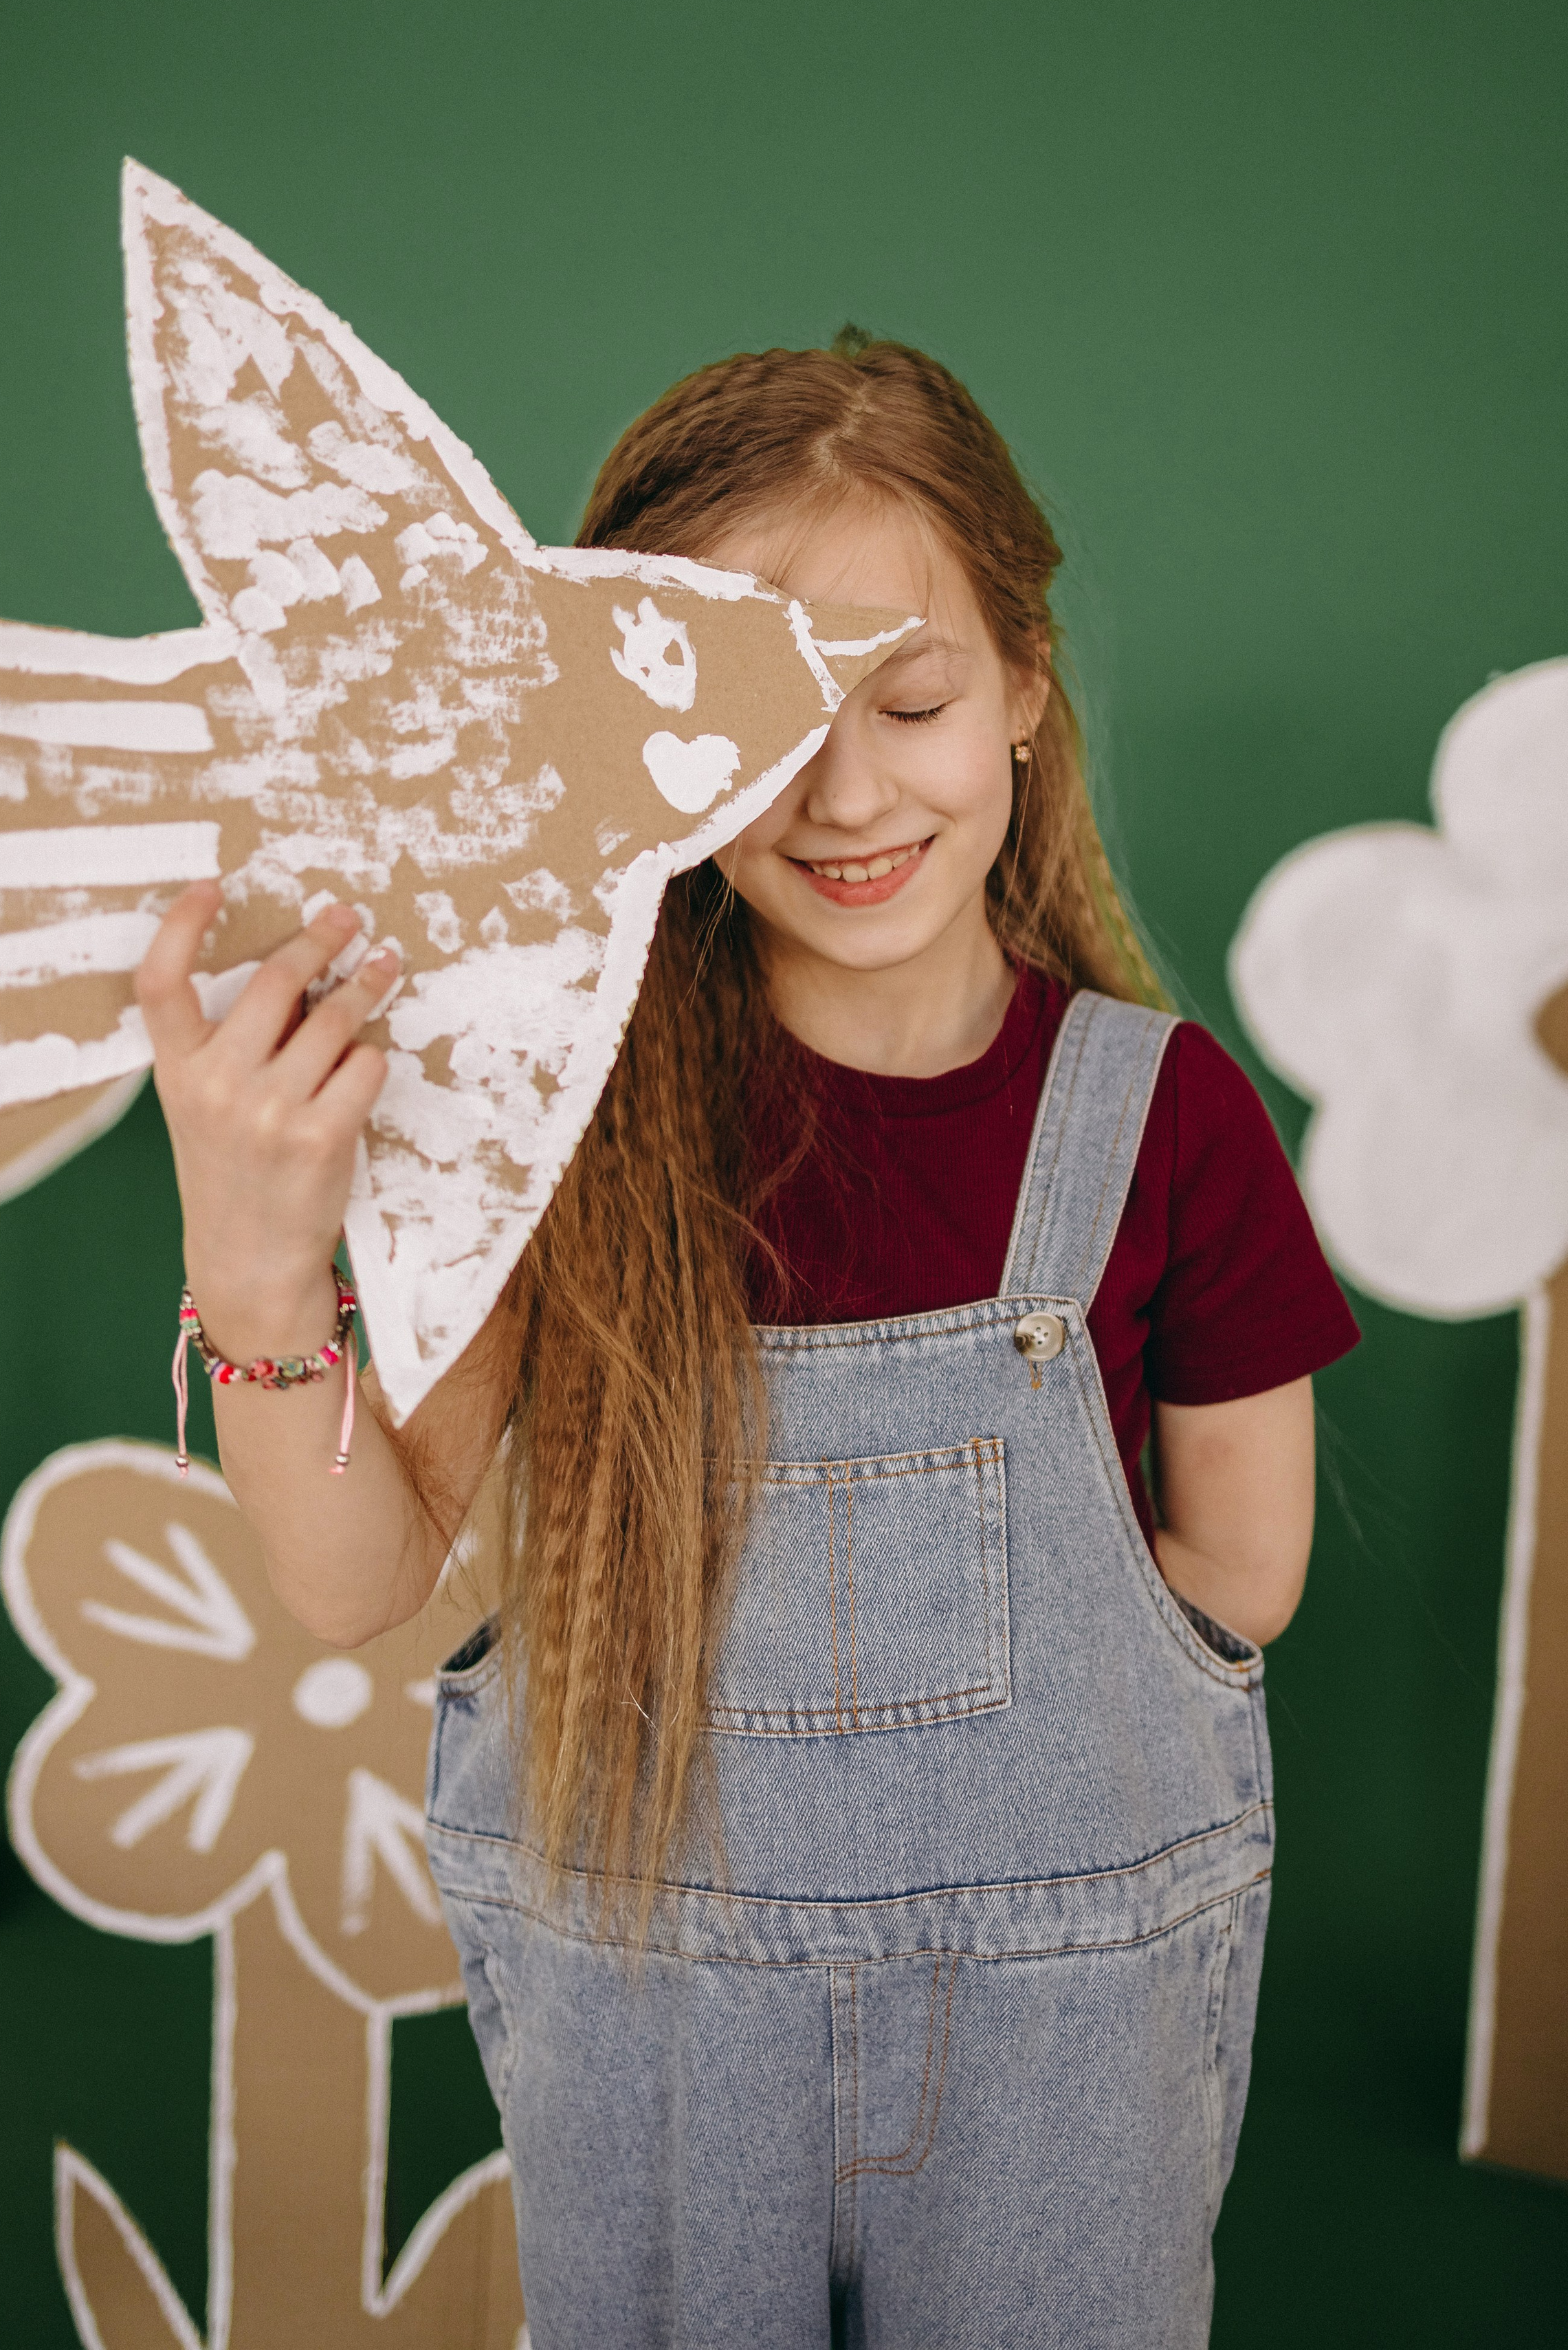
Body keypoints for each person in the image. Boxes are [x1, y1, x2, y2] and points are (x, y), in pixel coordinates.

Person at [137, 333, 1359, 2349]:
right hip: (660, 2047)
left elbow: (1243, 1576)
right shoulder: (560, 1124)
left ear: (1028, 691)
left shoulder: (1163, 1114)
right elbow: (362, 1580)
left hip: (1073, 2065)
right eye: (761, 726)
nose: (851, 790)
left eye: (913, 698)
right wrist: (261, 1264)